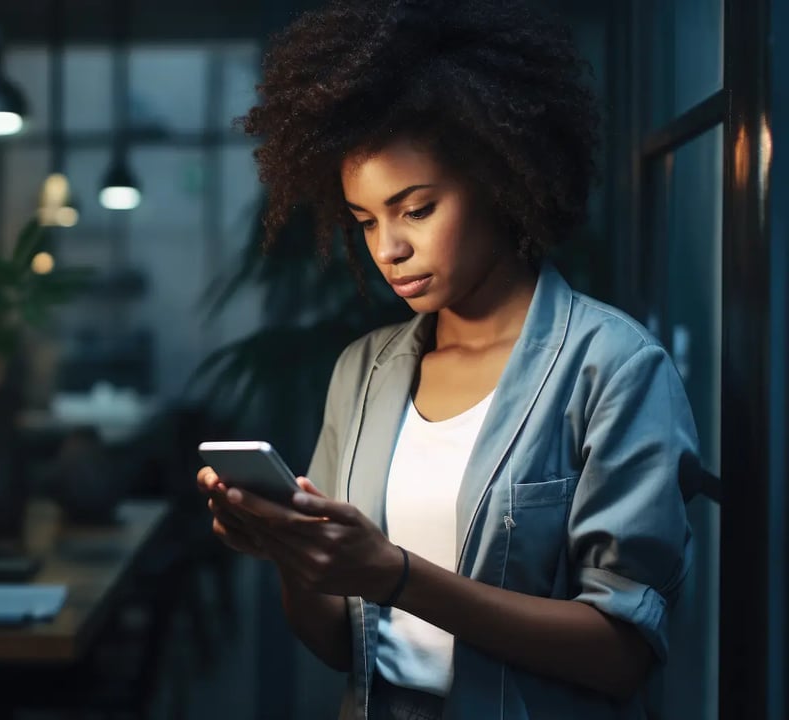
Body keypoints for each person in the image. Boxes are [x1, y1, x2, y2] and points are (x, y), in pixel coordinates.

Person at [196, 1, 702, 718]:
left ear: (498, 179)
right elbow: (345, 647)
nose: (387, 249)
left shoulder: (613, 368)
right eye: (366, 220)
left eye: (417, 208)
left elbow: (622, 656)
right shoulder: (363, 373)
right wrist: (293, 556)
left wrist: (398, 575)